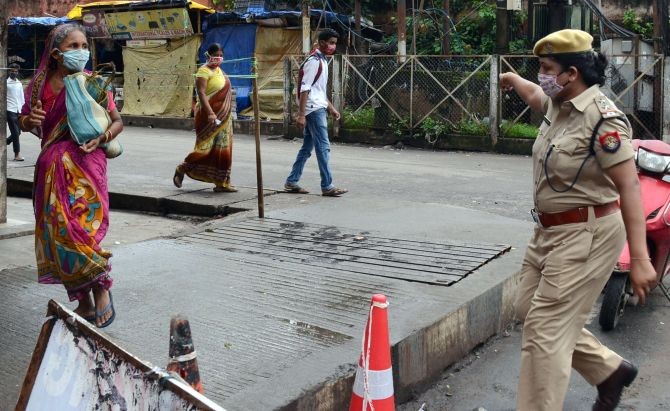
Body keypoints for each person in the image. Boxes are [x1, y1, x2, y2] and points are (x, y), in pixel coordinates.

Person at [499, 29, 658, 411]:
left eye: (546, 68)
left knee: (545, 331)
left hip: (587, 234)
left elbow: (630, 188)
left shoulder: (604, 121)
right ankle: (609, 370)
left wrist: (639, 259)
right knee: (527, 309)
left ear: (572, 74)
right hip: (548, 232)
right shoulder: (559, 101)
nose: (542, 75)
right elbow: (537, 98)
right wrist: (516, 80)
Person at [20, 24, 123, 328]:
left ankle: (102, 286)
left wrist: (102, 137)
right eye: (73, 46)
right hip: (50, 168)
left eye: (83, 45)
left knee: (82, 229)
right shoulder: (39, 85)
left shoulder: (94, 84)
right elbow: (27, 121)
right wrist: (29, 120)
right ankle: (83, 300)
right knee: (58, 234)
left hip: (87, 164)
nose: (81, 52)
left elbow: (117, 121)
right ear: (55, 53)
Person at [284, 28, 347, 197]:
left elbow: (318, 90)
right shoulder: (314, 61)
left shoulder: (323, 61)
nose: (333, 46)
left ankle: (291, 181)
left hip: (317, 106)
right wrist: (301, 114)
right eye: (331, 43)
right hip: (313, 110)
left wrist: (331, 108)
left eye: (335, 43)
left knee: (307, 148)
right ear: (322, 43)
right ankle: (327, 186)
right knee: (323, 147)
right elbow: (305, 89)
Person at [173, 43, 237, 193]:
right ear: (209, 55)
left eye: (221, 55)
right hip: (208, 116)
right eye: (216, 55)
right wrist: (210, 113)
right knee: (204, 149)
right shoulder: (203, 71)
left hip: (224, 118)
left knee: (223, 149)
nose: (219, 58)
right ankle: (182, 168)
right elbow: (201, 94)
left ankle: (222, 183)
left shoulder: (221, 71)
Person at [6, 63, 25, 161]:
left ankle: (6, 142)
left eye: (16, 71)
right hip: (9, 110)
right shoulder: (5, 83)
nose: (14, 73)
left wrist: (22, 109)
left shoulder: (19, 83)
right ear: (9, 71)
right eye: (12, 71)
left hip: (18, 110)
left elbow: (22, 97)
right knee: (15, 132)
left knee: (18, 132)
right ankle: (17, 154)